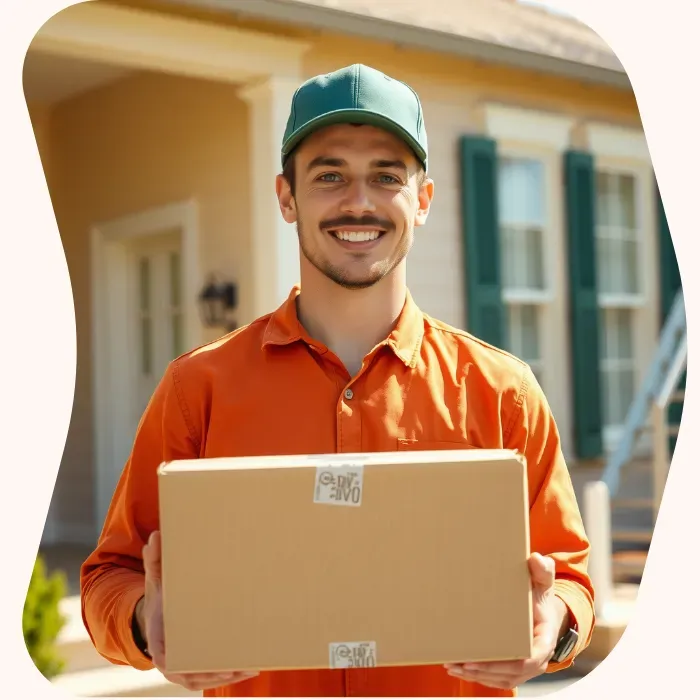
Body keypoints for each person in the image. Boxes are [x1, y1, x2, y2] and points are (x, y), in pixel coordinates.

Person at [80, 63, 595, 698]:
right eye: (330, 176)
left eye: (387, 176)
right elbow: (112, 576)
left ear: (423, 200)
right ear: (286, 196)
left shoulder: (502, 390)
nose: (359, 202)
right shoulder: (198, 388)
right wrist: (143, 618)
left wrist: (556, 625)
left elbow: (569, 577)